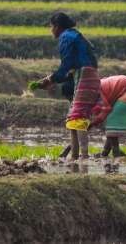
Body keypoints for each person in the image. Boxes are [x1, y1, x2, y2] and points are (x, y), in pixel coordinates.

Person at [38, 12, 101, 161]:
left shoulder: (66, 37)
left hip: (85, 76)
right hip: (89, 75)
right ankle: (74, 157)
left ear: (58, 27)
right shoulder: (75, 35)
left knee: (77, 117)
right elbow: (73, 64)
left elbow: (66, 65)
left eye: (51, 27)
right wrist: (55, 79)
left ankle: (84, 158)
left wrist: (50, 79)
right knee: (74, 117)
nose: (51, 30)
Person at [90, 75, 126, 158]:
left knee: (112, 121)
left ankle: (116, 155)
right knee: (111, 124)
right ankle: (104, 153)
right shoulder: (97, 87)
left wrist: (94, 123)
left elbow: (106, 108)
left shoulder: (95, 91)